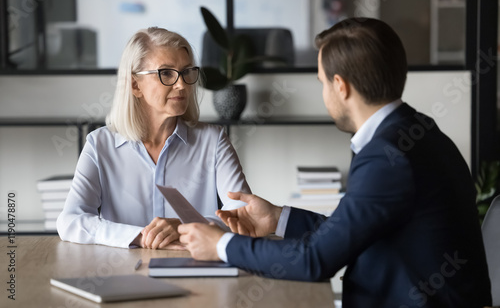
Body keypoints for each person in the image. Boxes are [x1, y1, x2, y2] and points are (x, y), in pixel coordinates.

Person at [178, 18, 492, 307]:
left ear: (340, 86)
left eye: (322, 83)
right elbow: (350, 229)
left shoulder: (387, 156)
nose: (324, 93)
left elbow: (315, 260)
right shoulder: (414, 131)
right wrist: (276, 218)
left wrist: (222, 245)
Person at [57, 27, 250, 249]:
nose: (182, 84)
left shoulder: (213, 141)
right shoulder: (99, 145)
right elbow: (70, 221)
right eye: (166, 73)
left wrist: (182, 228)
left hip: (196, 272)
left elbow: (242, 214)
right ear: (134, 85)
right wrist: (143, 237)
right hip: (123, 273)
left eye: (187, 71)